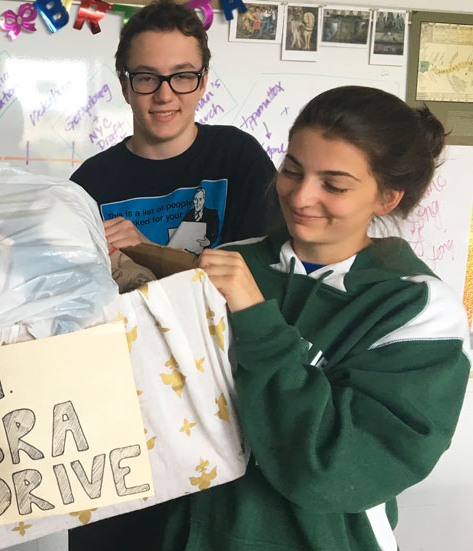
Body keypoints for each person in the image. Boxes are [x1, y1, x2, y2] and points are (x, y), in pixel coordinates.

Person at [172, 86, 470, 550]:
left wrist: (255, 317)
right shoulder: (228, 263)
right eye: (292, 170)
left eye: (333, 184)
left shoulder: (418, 311)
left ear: (387, 198)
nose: (300, 196)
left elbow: (332, 470)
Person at [70, 0, 277, 257]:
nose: (164, 96)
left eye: (182, 76)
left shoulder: (239, 156)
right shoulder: (88, 183)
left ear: (203, 83)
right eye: (146, 77)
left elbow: (264, 274)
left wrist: (148, 249)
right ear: (125, 87)